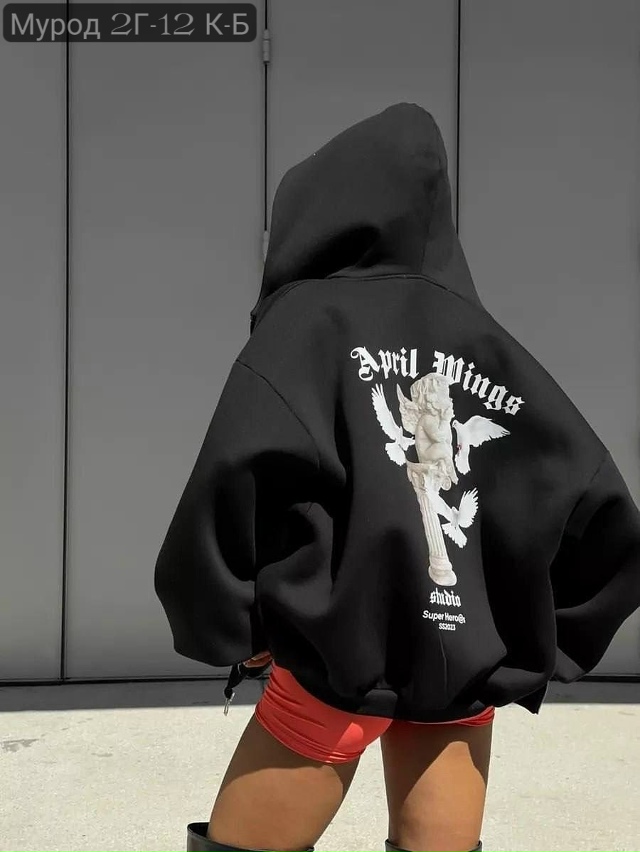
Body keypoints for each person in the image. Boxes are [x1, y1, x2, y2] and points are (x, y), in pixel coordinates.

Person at [154, 102, 640, 852]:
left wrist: (232, 624)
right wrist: (537, 638)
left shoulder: (307, 324)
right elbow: (600, 506)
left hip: (336, 651)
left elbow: (235, 473)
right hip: (461, 660)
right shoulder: (492, 346)